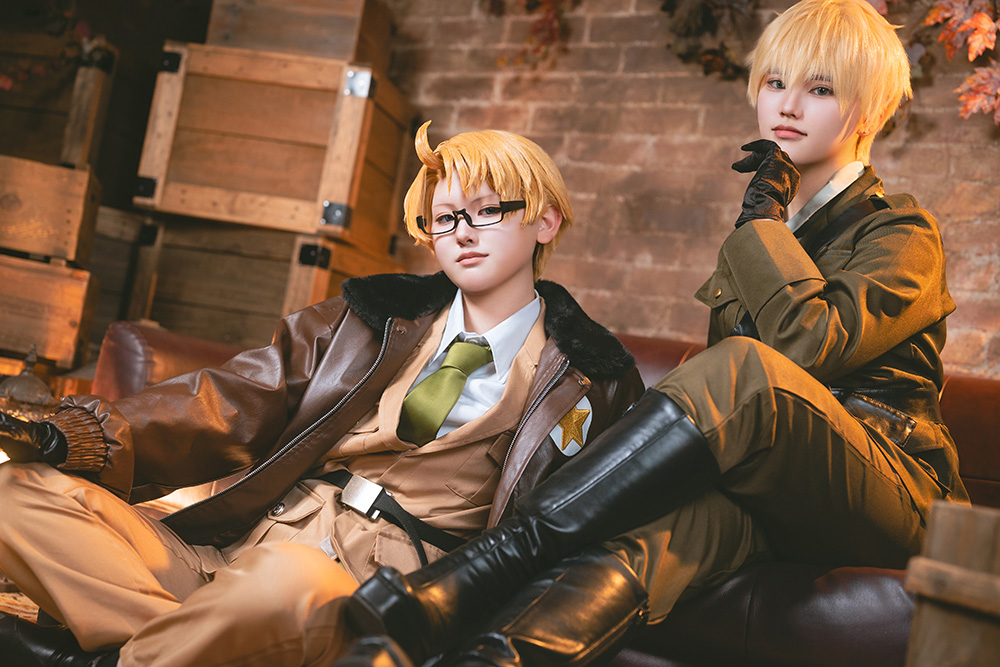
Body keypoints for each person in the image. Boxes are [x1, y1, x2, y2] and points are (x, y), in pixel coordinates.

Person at [337, 1, 971, 665]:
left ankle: (486, 565)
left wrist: (761, 221)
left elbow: (802, 347)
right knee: (646, 541)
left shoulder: (900, 232)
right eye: (776, 83)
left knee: (744, 368)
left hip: (892, 494)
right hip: (769, 494)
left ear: (866, 113)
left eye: (820, 89)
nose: (787, 105)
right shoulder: (769, 230)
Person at [0, 122, 645, 667]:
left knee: (287, 578)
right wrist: (76, 435)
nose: (462, 233)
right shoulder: (368, 317)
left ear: (545, 220)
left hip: (368, 597)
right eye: (445, 217)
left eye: (486, 211)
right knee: (16, 490)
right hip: (236, 552)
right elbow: (236, 396)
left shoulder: (593, 378)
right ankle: (190, 645)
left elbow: (585, 535)